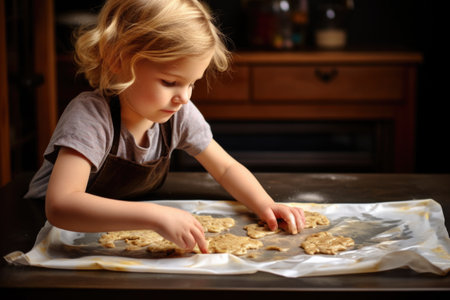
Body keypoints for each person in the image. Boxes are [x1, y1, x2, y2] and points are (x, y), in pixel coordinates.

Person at [25, 0, 305, 254]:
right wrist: (154, 216)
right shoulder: (91, 117)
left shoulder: (178, 114)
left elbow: (226, 168)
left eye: (192, 83)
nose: (184, 96)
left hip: (113, 228)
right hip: (41, 231)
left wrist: (266, 205)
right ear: (117, 60)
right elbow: (61, 206)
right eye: (170, 82)